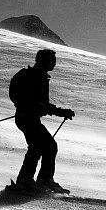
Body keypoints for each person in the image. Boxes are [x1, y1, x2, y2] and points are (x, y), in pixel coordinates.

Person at [9, 49, 75, 193]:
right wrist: (29, 105)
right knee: (43, 145)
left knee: (45, 146)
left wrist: (60, 112)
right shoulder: (32, 76)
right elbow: (18, 96)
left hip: (29, 117)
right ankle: (32, 180)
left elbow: (43, 104)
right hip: (25, 117)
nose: (54, 64)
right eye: (52, 60)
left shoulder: (41, 77)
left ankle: (36, 180)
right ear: (42, 61)